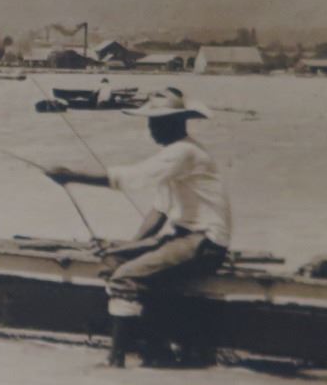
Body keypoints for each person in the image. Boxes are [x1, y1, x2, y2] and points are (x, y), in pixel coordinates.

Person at [44, 86, 231, 367]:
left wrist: (72, 176)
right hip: (182, 238)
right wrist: (131, 245)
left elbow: (133, 177)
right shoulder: (175, 155)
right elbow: (160, 210)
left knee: (124, 277)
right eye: (151, 122)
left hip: (205, 242)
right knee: (112, 260)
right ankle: (155, 346)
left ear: (177, 122)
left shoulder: (184, 152)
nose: (151, 129)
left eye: (157, 122)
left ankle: (116, 358)